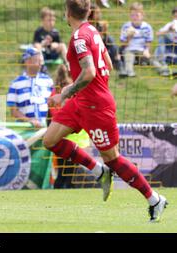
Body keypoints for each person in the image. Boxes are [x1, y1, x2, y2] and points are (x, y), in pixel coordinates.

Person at [45, 0, 167, 222]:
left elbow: (90, 72)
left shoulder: (80, 37)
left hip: (96, 107)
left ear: (67, 13)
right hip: (81, 101)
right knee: (50, 140)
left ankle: (155, 199)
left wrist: (63, 94)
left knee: (113, 159)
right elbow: (108, 64)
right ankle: (98, 171)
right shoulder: (91, 30)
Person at [48, 64, 90, 189]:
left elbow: (50, 115)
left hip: (59, 137)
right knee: (71, 176)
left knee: (62, 174)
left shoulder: (54, 92)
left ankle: (57, 196)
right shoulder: (75, 90)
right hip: (76, 138)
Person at [7, 46, 53, 128]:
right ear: (27, 62)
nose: (40, 64)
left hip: (47, 129)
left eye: (40, 61)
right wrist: (30, 121)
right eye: (37, 60)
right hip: (25, 130)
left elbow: (54, 105)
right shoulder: (15, 83)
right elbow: (14, 111)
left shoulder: (48, 81)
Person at [119, 2, 153, 77]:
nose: (134, 17)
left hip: (142, 50)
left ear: (142, 15)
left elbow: (148, 42)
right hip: (129, 49)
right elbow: (122, 45)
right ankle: (129, 72)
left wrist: (146, 50)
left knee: (153, 60)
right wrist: (129, 37)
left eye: (137, 15)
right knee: (128, 57)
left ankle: (164, 70)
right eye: (132, 15)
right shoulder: (126, 26)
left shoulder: (147, 27)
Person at [88, 3, 121, 71]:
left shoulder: (98, 25)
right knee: (111, 44)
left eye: (100, 12)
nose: (100, 15)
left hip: (102, 48)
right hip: (93, 50)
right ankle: (116, 61)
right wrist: (102, 32)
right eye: (97, 13)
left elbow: (105, 40)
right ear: (91, 14)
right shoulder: (88, 26)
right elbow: (94, 41)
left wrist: (104, 30)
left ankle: (117, 59)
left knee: (111, 40)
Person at [152, 7, 177, 76]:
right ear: (173, 16)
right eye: (175, 16)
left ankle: (163, 67)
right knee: (162, 37)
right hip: (169, 48)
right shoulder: (170, 24)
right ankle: (162, 61)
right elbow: (157, 34)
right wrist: (169, 30)